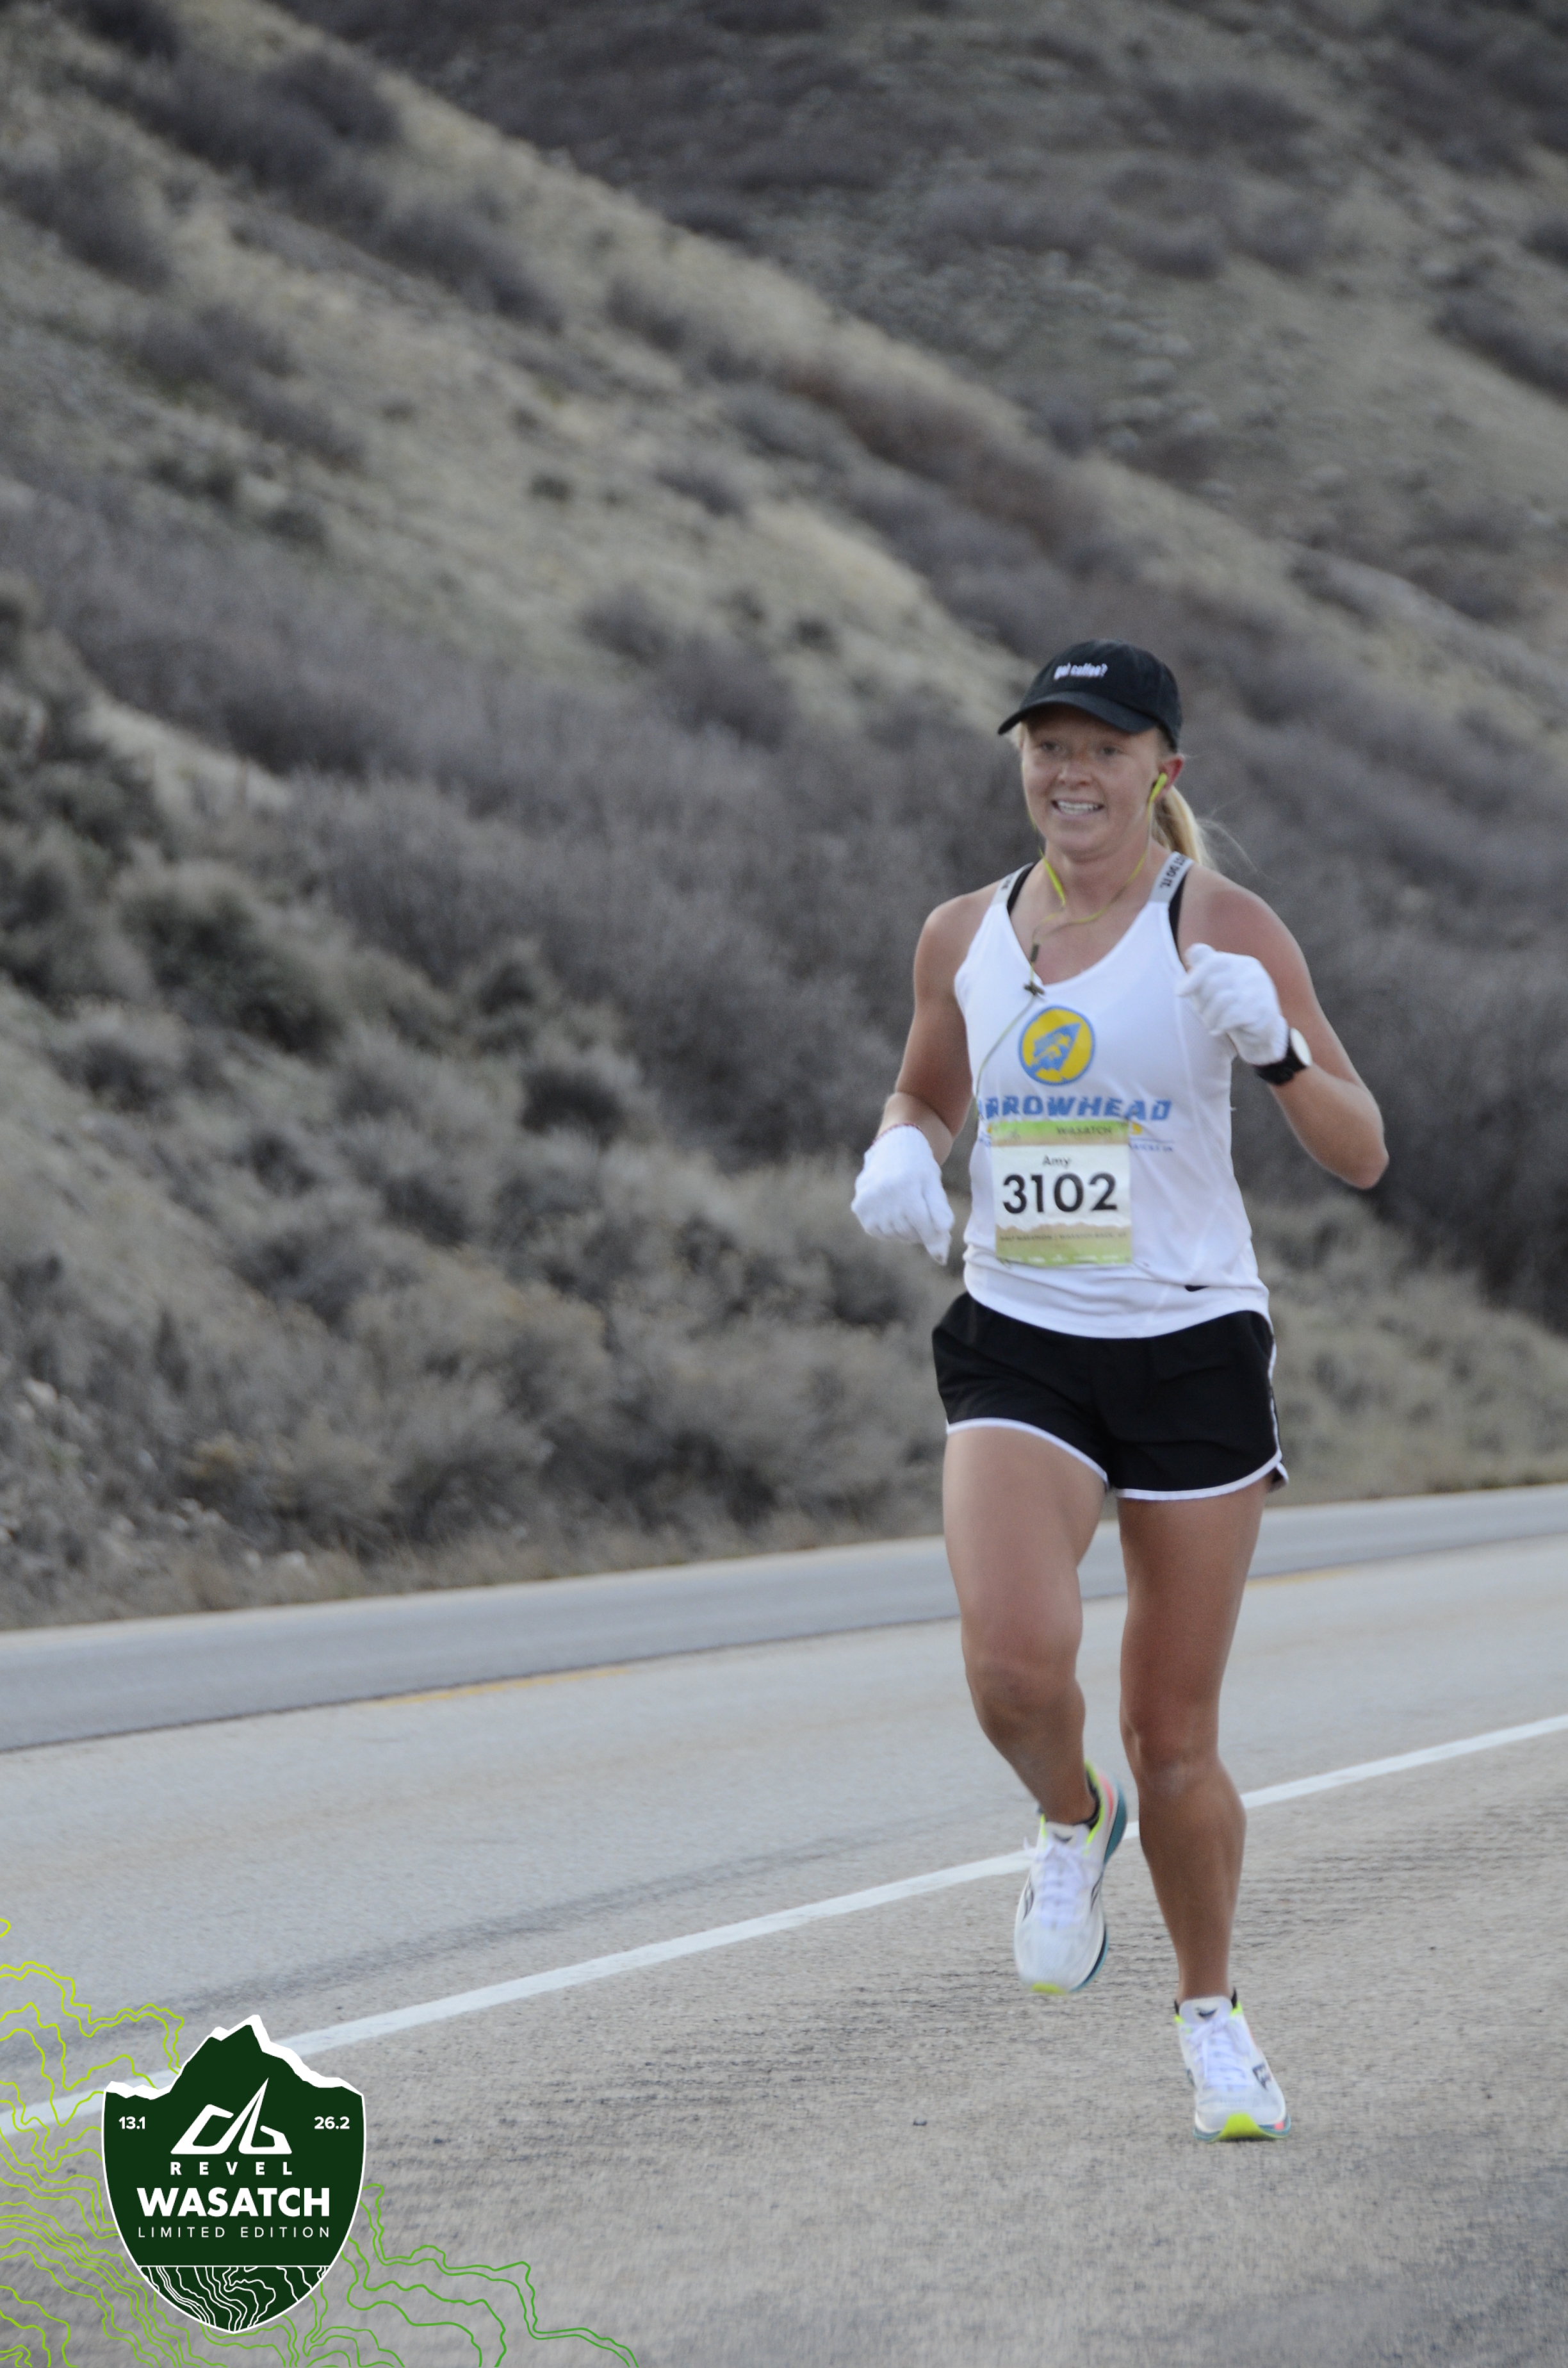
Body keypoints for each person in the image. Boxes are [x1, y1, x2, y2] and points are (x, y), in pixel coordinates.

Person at [851, 639, 1387, 2140]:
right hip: (1022, 1334)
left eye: (1103, 748)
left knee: (1174, 1734)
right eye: (1049, 746)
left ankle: (1212, 2019)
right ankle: (1069, 1819)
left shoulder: (1218, 922)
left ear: (1164, 769)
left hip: (1191, 1344)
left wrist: (1276, 1053)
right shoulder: (962, 930)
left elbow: (1361, 1148)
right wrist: (903, 1145)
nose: (1070, 774)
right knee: (1015, 1670)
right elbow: (931, 1083)